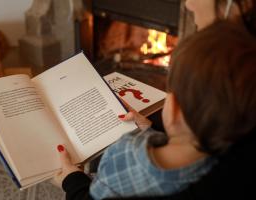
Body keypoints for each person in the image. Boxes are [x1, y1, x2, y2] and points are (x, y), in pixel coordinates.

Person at [53, 1, 256, 199]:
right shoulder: (221, 161)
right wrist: (148, 131)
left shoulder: (124, 152)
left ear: (174, 107)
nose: (187, 5)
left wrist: (73, 181)